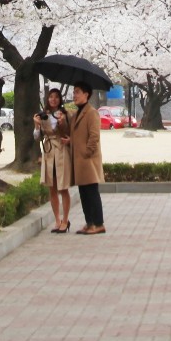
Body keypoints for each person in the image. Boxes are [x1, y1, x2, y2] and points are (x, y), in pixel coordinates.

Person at [35, 87, 75, 233]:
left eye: (56, 97)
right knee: (52, 187)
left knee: (63, 187)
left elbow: (70, 132)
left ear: (60, 99)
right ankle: (57, 219)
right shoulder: (43, 115)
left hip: (61, 150)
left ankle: (66, 220)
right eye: (51, 97)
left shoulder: (65, 114)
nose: (53, 99)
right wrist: (37, 125)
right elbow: (36, 137)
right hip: (48, 150)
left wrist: (61, 122)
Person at [69, 82, 106, 234]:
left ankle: (98, 223)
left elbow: (94, 135)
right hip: (80, 161)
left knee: (91, 192)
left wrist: (87, 152)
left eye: (77, 92)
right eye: (74, 92)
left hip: (87, 160)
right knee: (84, 193)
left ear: (86, 94)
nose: (74, 95)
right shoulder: (78, 112)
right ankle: (89, 222)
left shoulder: (91, 112)